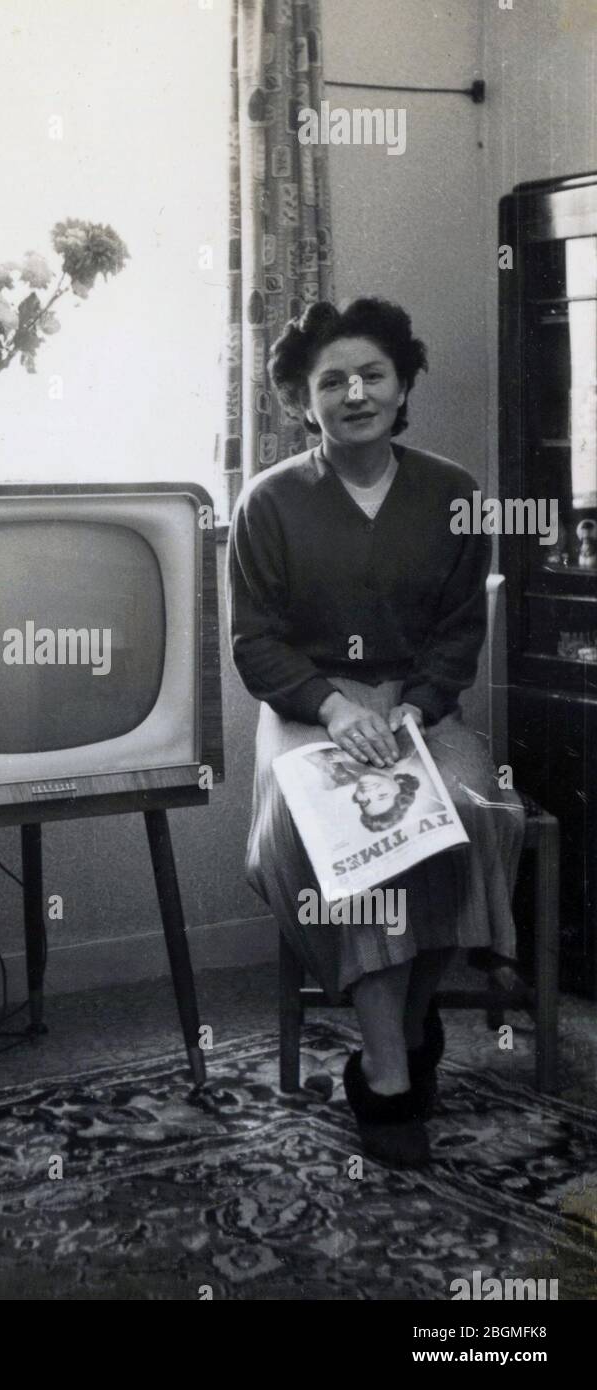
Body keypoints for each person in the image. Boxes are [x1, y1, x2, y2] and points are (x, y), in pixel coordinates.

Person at [226, 297, 526, 1169]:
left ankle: (407, 1013)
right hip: (308, 712)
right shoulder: (269, 502)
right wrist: (334, 707)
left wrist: (414, 708)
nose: (354, 393)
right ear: (302, 399)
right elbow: (256, 643)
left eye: (372, 375)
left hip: (417, 709)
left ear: (402, 387)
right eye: (332, 381)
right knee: (353, 829)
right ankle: (388, 1073)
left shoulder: (454, 493)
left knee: (475, 814)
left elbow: (460, 631)